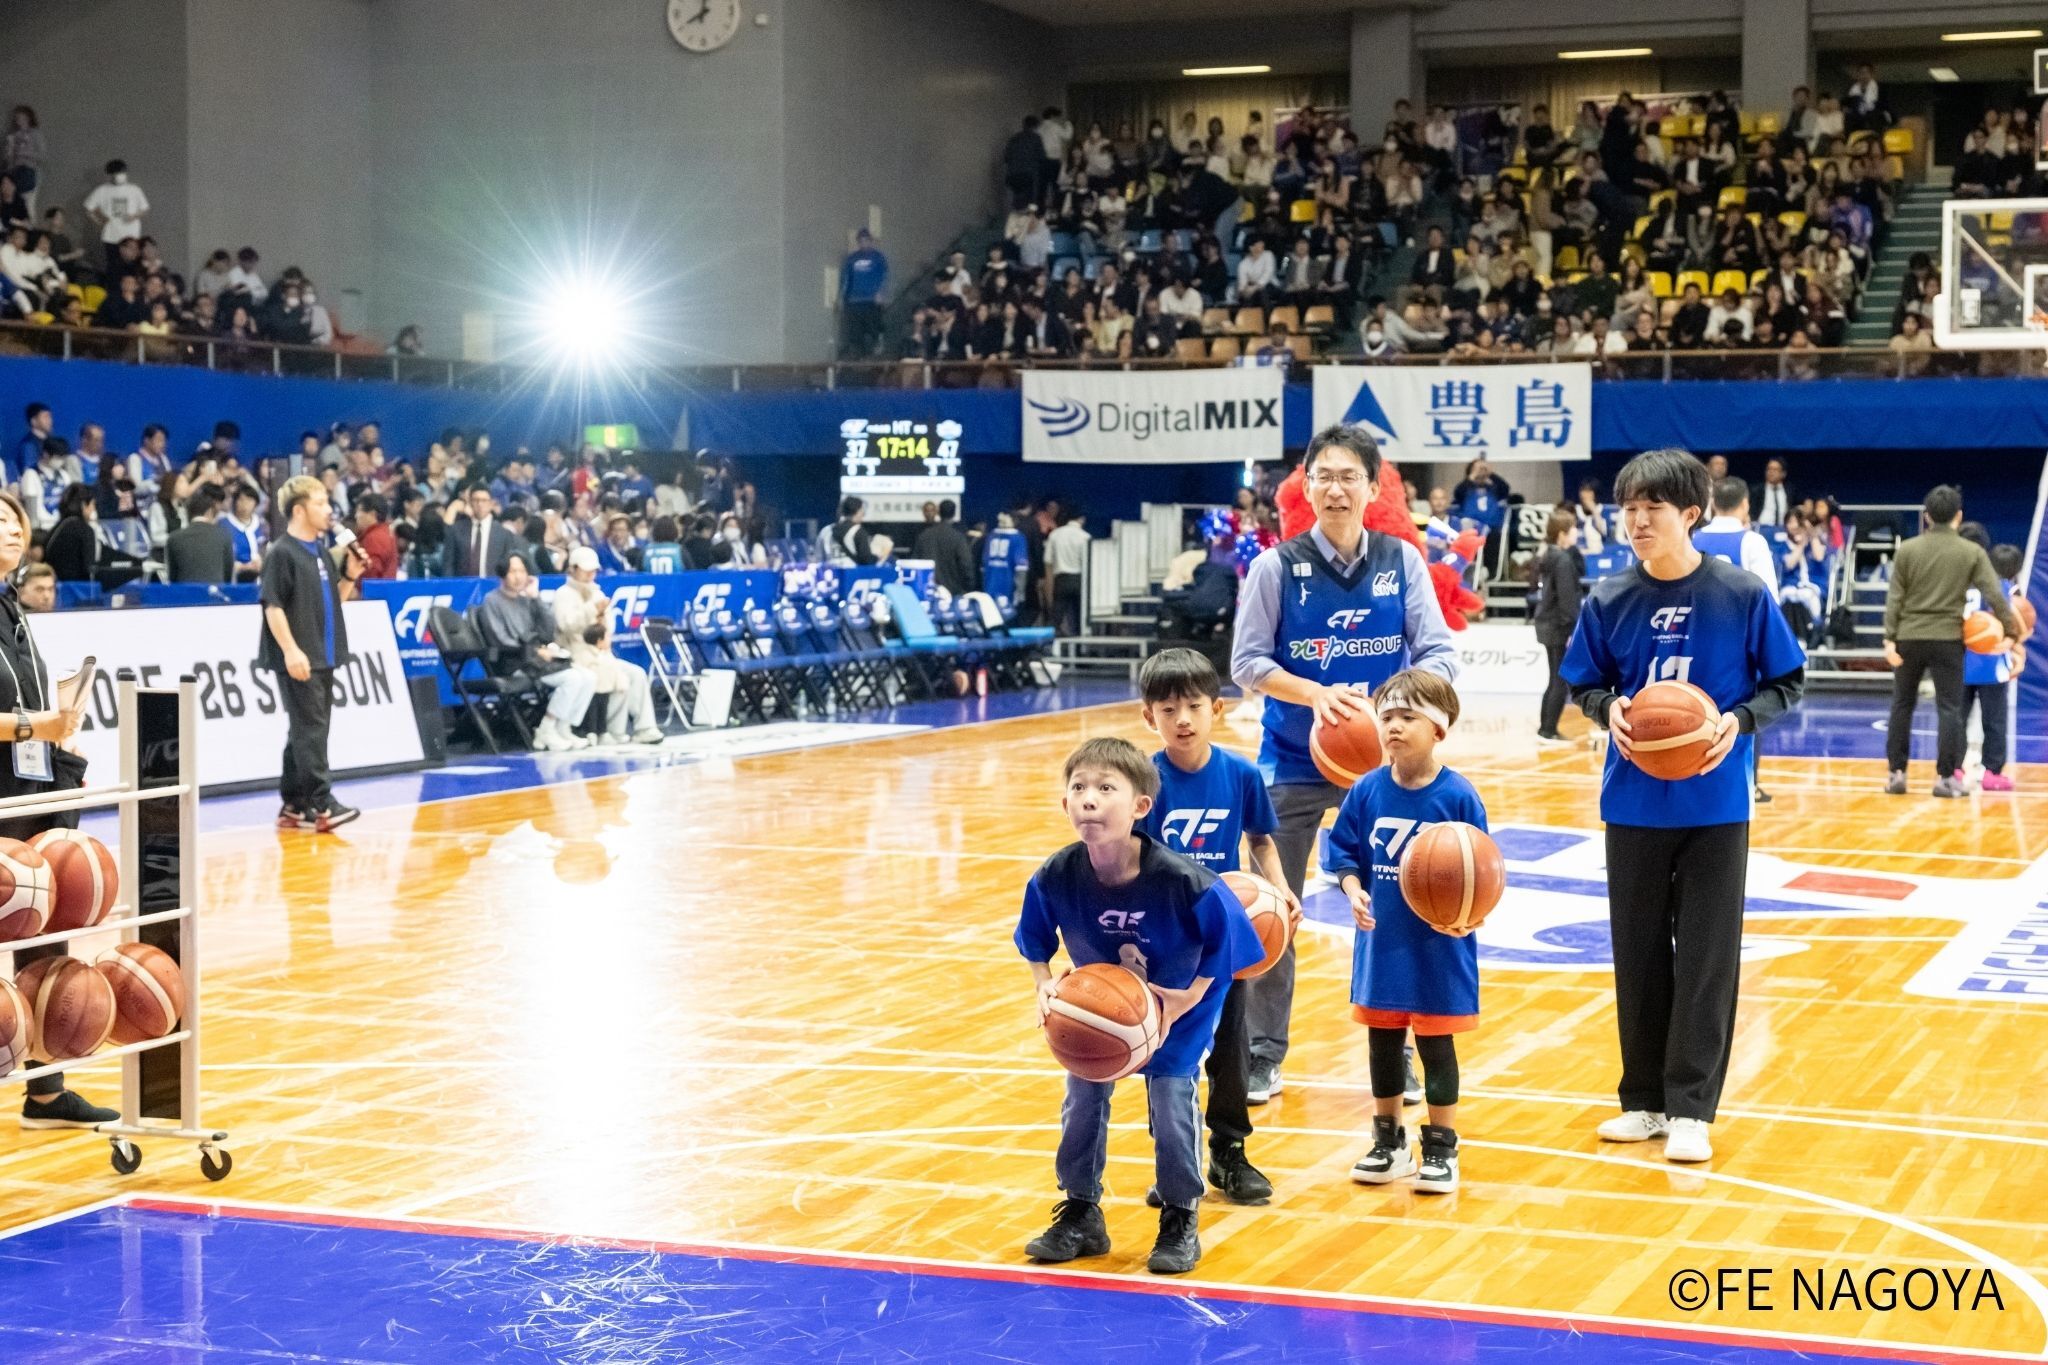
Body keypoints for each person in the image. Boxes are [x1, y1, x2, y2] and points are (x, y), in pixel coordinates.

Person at [1560, 448, 1806, 1164]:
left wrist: (1741, 720)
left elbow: (1787, 681)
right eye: (1629, 508)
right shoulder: (1609, 597)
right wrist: (1608, 708)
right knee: (1637, 954)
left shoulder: (1741, 593)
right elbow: (1583, 683)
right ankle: (1643, 1101)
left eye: (1653, 508)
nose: (1637, 521)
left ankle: (1692, 1108)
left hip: (1716, 802)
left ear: (1691, 513)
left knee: (1706, 958)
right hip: (1632, 800)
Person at [1228, 425, 1458, 1105]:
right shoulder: (1276, 567)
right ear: (1304, 486)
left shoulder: (1402, 560)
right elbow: (1246, 662)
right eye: (1323, 475)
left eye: (1349, 476)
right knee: (1274, 909)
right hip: (1294, 761)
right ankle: (1263, 1054)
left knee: (1399, 910)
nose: (1335, 488)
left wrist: (1396, 704)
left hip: (1387, 768)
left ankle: (1401, 1053)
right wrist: (1315, 693)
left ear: (1373, 486)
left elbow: (1438, 652)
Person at [1015, 737, 1263, 1276]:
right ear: (1064, 803)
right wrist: (1044, 985)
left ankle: (1179, 1215)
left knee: (1171, 1104)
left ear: (1140, 807)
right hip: (1100, 1008)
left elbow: (1234, 947)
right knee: (1082, 1098)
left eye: (1107, 788)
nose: (1089, 798)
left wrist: (1187, 997)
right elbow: (1033, 939)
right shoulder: (1056, 874)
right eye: (1079, 787)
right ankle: (1081, 1211)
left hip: (1180, 1004)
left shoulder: (1184, 880)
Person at [1135, 649, 1299, 1205]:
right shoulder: (1144, 782)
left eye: (1193, 707)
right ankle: (1173, 1157)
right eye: (1168, 709)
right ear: (1149, 717)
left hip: (1223, 936)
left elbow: (1260, 840)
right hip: (1165, 940)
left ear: (1217, 709)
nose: (1182, 719)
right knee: (1167, 1054)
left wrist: (1279, 889)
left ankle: (1230, 1151)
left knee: (1231, 1047)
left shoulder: (1241, 774)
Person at [1325, 670, 1487, 1192]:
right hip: (1383, 941)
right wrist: (1353, 888)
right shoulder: (1366, 790)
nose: (1393, 726)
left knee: (1437, 1046)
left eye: (1407, 717)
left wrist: (1470, 913)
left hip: (1439, 943)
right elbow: (1343, 853)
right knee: (1383, 1042)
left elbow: (1483, 871)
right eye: (1387, 716)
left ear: (1438, 729)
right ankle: (1388, 1141)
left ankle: (1441, 1147)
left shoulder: (1458, 796)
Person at [0, 490, 110, 1129]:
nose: (11, 531)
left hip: (31, 786)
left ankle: (46, 1093)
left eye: (16, 522)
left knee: (43, 931)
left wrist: (59, 734)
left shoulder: (13, 606)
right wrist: (35, 727)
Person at [1881, 486, 2020, 798]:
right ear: (1958, 516)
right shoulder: (1971, 552)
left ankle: (1896, 774)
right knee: (1949, 709)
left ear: (1927, 516)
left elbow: (1895, 598)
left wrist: (1889, 639)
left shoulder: (1908, 549)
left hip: (1909, 636)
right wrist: (2010, 632)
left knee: (1902, 705)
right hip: (1948, 639)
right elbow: (1995, 595)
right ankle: (1946, 778)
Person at [258, 476, 364, 833]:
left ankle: (294, 804)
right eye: (320, 503)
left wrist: (350, 576)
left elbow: (334, 600)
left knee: (305, 729)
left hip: (323, 652)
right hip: (300, 654)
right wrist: (291, 650)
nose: (328, 510)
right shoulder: (282, 552)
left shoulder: (319, 551)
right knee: (312, 729)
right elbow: (272, 606)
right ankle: (323, 803)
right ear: (299, 510)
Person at [474, 552, 600, 753]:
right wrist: (534, 652)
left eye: (522, 571)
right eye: (513, 571)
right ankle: (546, 729)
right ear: (503, 573)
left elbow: (548, 631)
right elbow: (499, 638)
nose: (518, 576)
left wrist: (536, 598)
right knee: (573, 679)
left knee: (588, 677)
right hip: (515, 663)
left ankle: (563, 728)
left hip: (538, 659)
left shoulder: (527, 600)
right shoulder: (492, 601)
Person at [553, 546, 663, 746]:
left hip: (602, 654)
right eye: (585, 570)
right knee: (605, 672)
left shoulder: (598, 593)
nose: (590, 574)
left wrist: (602, 616)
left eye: (593, 570)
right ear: (573, 568)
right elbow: (566, 625)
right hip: (576, 656)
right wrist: (591, 610)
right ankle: (608, 730)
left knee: (635, 673)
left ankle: (644, 728)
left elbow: (609, 628)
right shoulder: (563, 594)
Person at [1963, 544, 2029, 794]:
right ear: (2016, 569)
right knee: (1995, 721)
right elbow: (2015, 627)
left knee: (1957, 719)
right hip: (1992, 663)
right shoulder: (2005, 590)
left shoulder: (1964, 587)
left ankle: (1953, 769)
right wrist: (2018, 650)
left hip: (1962, 661)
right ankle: (1992, 773)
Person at [1531, 508, 1584, 744]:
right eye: (1573, 528)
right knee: (1559, 680)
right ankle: (1548, 730)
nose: (1576, 532)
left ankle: (1546, 728)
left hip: (1549, 623)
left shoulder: (1550, 555)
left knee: (1554, 679)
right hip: (1558, 627)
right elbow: (1567, 600)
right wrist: (1573, 630)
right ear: (1562, 533)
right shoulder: (1562, 560)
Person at [81, 160, 148, 273]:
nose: (119, 176)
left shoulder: (134, 189)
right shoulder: (102, 190)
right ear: (110, 175)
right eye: (116, 173)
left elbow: (145, 208)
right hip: (111, 236)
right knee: (113, 266)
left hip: (131, 235)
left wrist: (134, 216)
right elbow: (88, 208)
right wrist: (99, 221)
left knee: (132, 266)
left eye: (121, 172)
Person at [165, 488, 236, 584]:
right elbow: (228, 574)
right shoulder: (224, 536)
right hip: (214, 592)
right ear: (209, 511)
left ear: (188, 513)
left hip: (185, 592)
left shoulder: (174, 538)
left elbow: (172, 577)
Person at [838, 228, 888, 359]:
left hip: (871, 300)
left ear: (871, 241)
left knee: (873, 328)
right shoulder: (851, 259)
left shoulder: (878, 257)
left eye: (866, 240)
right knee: (855, 332)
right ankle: (858, 356)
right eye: (861, 241)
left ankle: (873, 352)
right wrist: (841, 298)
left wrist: (881, 293)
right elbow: (845, 279)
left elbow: (884, 276)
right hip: (854, 300)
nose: (863, 243)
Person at [912, 499, 977, 597]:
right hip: (953, 593)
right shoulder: (957, 537)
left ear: (938, 512)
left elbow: (915, 562)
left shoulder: (924, 536)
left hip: (928, 591)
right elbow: (966, 564)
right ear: (954, 514)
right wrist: (969, 587)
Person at [446, 485, 513, 578]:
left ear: (491, 504)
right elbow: (448, 564)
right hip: (463, 584)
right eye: (476, 500)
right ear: (470, 503)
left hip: (493, 584)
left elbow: (507, 565)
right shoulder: (456, 531)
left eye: (484, 500)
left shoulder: (503, 534)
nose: (480, 504)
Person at [42, 485, 99, 585]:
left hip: (54, 587)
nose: (93, 509)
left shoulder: (56, 528)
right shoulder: (85, 530)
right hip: (78, 589)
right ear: (83, 505)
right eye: (93, 504)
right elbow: (89, 568)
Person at [1044, 510, 1089, 637]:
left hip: (1061, 579)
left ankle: (1048, 643)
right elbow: (1087, 562)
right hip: (1080, 579)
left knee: (1056, 616)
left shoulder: (1055, 534)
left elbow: (1048, 560)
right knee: (1080, 617)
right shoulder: (1085, 536)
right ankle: (1080, 644)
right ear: (1081, 519)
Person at [224, 483, 267, 580]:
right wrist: (241, 567)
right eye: (241, 499)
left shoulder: (263, 525)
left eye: (249, 500)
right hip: (233, 579)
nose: (245, 504)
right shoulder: (224, 524)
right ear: (235, 502)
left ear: (256, 503)